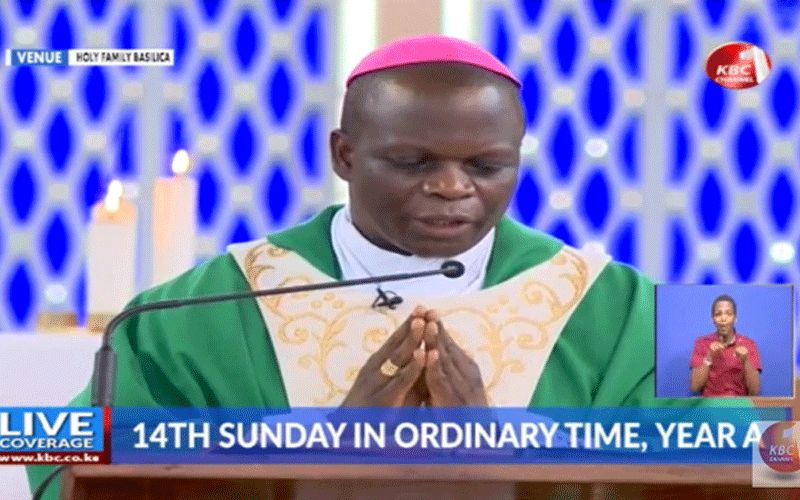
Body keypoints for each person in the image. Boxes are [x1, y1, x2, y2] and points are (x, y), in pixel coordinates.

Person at [28, 34, 743, 498]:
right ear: (344, 155)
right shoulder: (204, 303)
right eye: (412, 161)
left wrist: (514, 455)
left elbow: (753, 461)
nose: (453, 187)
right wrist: (319, 456)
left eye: (486, 165)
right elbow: (59, 457)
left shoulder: (632, 304)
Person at [689, 294, 762, 396]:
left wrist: (746, 361)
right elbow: (695, 387)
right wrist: (709, 358)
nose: (723, 318)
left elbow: (754, 391)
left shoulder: (748, 344)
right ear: (713, 319)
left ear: (735, 318)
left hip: (737, 404)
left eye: (729, 314)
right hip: (710, 404)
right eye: (718, 314)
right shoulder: (702, 343)